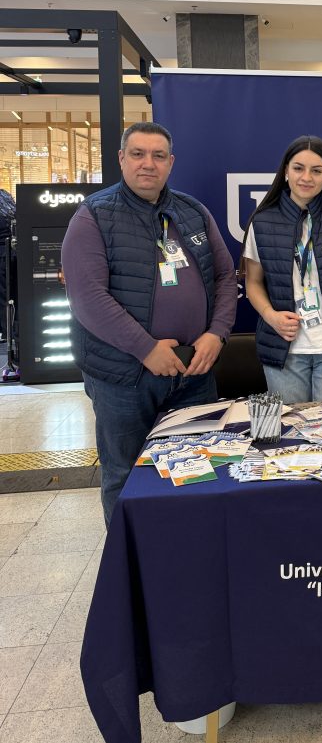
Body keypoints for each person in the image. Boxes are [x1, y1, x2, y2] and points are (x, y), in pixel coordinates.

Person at [61, 122, 237, 526]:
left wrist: (217, 334)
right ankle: (131, 561)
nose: (148, 164)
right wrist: (145, 348)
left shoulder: (193, 212)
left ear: (170, 163)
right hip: (124, 377)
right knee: (126, 475)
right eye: (138, 154)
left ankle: (187, 551)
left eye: (158, 156)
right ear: (121, 159)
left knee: (197, 469)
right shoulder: (93, 216)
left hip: (194, 372)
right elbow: (87, 298)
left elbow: (226, 277)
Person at [241, 135, 322, 404]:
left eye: (316, 171)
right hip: (284, 353)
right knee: (292, 428)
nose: (306, 177)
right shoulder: (262, 222)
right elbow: (253, 282)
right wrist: (270, 315)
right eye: (299, 168)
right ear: (286, 171)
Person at [0, 188, 15, 343]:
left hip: (2, 254)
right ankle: (9, 332)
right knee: (9, 295)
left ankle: (5, 332)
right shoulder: (6, 197)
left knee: (3, 295)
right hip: (11, 253)